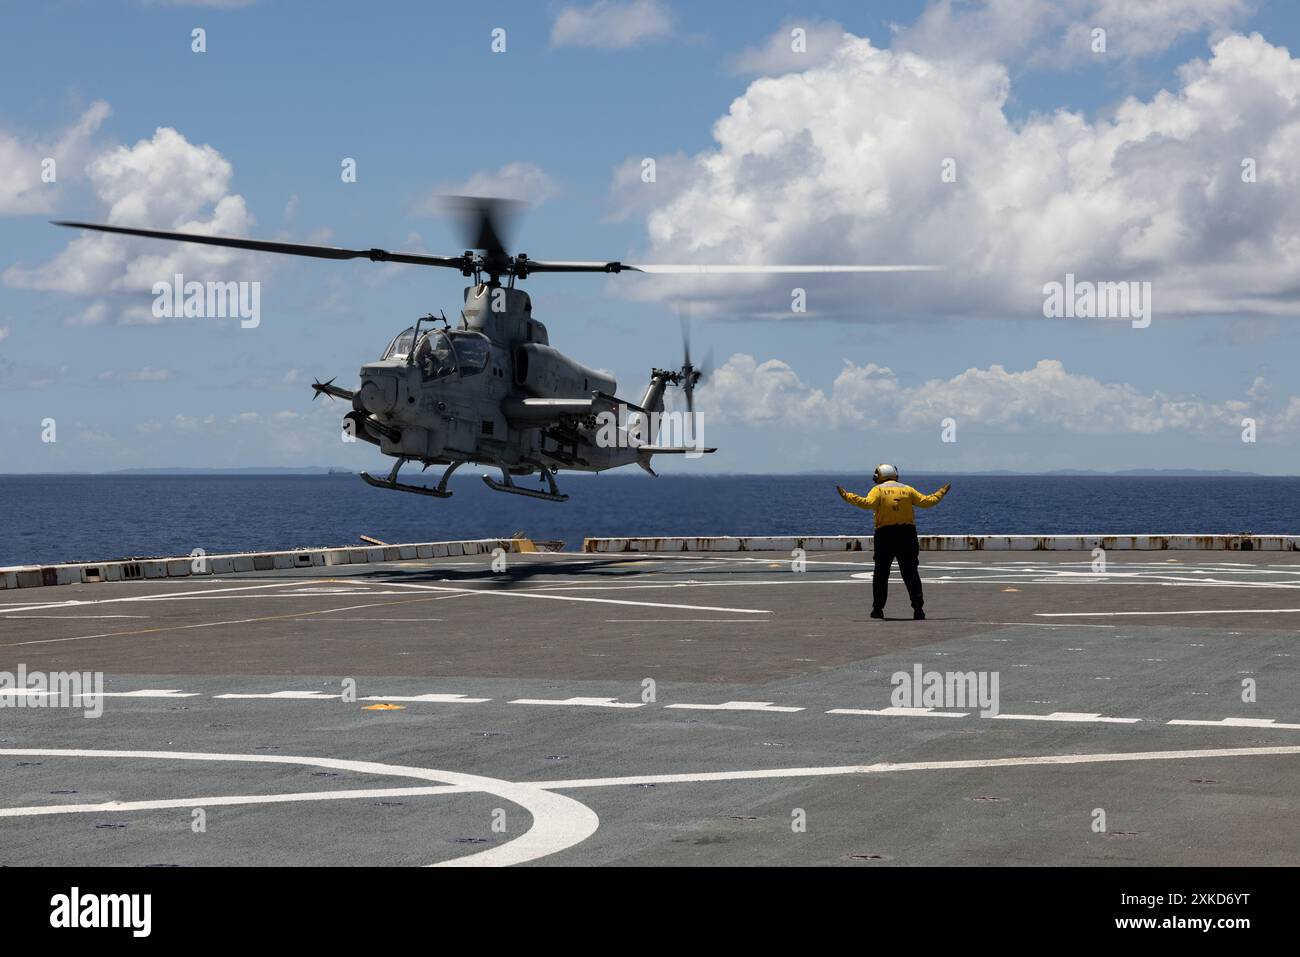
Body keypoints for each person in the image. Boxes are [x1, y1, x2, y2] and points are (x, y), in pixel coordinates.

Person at [836, 464, 951, 620]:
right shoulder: (907, 489)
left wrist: (847, 496)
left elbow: (867, 504)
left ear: (880, 476)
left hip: (885, 535)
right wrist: (941, 492)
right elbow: (927, 502)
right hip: (907, 535)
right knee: (911, 573)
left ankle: (878, 609)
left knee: (881, 574)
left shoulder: (878, 490)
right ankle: (918, 609)